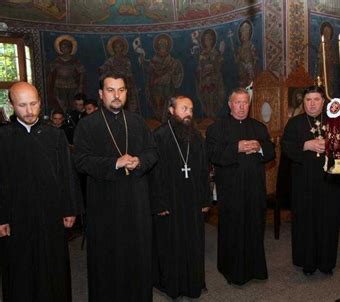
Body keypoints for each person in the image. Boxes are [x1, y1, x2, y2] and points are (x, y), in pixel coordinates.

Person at [73, 72, 157, 301]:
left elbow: (152, 152)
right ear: (101, 94)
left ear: (126, 93)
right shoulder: (88, 125)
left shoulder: (138, 121)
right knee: (107, 258)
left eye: (121, 90)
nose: (116, 95)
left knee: (137, 255)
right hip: (104, 204)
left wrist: (140, 161)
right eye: (111, 90)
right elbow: (80, 161)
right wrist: (114, 162)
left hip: (136, 202)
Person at [0, 82, 82, 302]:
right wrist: (1, 218)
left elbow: (67, 174)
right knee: (20, 268)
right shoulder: (3, 137)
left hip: (51, 214)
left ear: (40, 101)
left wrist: (70, 209)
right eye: (23, 105)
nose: (29, 111)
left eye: (34, 104)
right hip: (17, 216)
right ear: (12, 106)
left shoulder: (54, 135)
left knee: (53, 265)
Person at [205, 88, 275, 285]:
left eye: (245, 103)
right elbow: (212, 154)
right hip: (231, 189)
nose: (242, 107)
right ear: (230, 104)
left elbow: (271, 152)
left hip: (255, 188)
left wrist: (260, 147)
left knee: (255, 225)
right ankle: (232, 270)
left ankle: (255, 269)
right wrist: (237, 147)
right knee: (233, 227)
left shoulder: (259, 127)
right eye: (238, 102)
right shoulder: (217, 128)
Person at [150, 96, 210, 299]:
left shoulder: (195, 135)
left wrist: (205, 199)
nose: (189, 113)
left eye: (191, 109)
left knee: (193, 243)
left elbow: (203, 170)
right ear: (171, 110)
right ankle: (171, 285)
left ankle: (193, 284)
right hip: (170, 200)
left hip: (192, 199)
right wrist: (159, 202)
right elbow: (154, 173)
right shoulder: (159, 135)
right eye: (184, 108)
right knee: (171, 243)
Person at [281, 86, 340, 275]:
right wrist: (306, 145)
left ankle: (326, 263)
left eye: (316, 99)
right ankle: (307, 262)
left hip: (329, 181)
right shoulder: (294, 123)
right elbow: (286, 147)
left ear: (323, 102)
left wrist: (332, 145)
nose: (312, 103)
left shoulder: (334, 121)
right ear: (304, 102)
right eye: (308, 100)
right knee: (306, 222)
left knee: (328, 221)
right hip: (304, 182)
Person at [47, 35, 85, 111]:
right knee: (62, 104)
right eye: (63, 47)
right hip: (59, 85)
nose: (65, 49)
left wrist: (80, 85)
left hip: (72, 85)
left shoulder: (75, 61)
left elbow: (82, 72)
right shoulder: (56, 61)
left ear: (71, 48)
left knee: (72, 104)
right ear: (60, 48)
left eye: (67, 47)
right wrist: (50, 85)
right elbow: (50, 74)